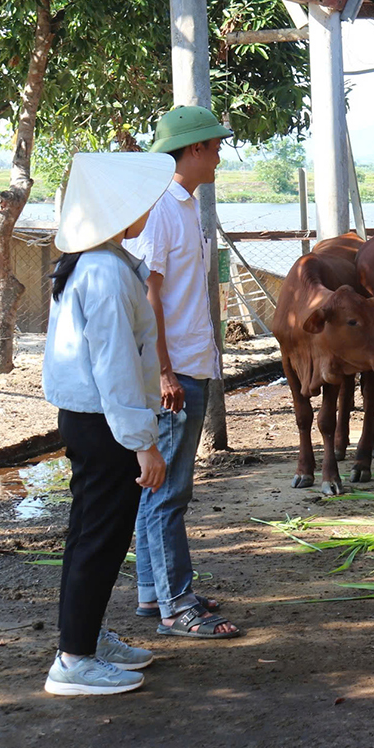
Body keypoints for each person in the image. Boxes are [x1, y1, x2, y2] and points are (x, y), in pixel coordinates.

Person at [41, 151, 176, 695]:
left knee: (91, 535)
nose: (145, 208)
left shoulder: (99, 259)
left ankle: (86, 639)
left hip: (93, 420)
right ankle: (74, 661)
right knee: (99, 537)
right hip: (104, 423)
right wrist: (144, 444)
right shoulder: (102, 271)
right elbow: (117, 367)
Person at [123, 106, 242, 639]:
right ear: (193, 150)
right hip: (177, 373)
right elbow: (151, 295)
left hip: (189, 364)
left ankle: (155, 595)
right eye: (214, 146)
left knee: (159, 492)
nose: (218, 155)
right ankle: (177, 606)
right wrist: (166, 372)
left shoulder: (186, 206)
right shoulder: (165, 210)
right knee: (168, 493)